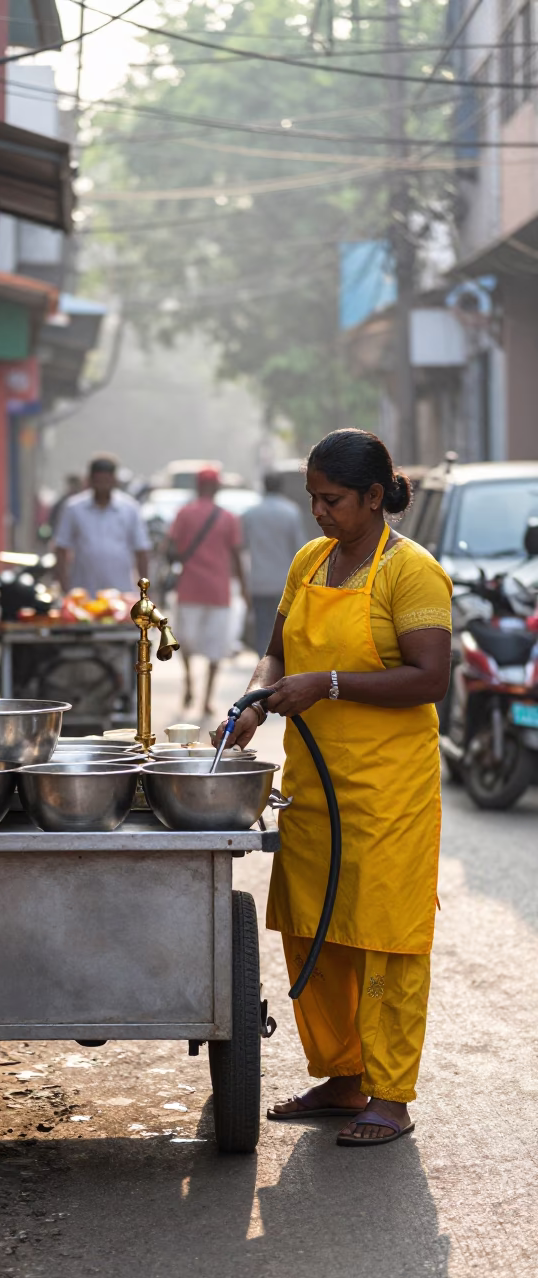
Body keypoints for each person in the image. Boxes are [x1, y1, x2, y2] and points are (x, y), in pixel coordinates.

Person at [215, 428, 452, 1147]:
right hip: (317, 784)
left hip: (389, 794)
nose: (319, 512)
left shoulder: (411, 573)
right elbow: (275, 650)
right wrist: (254, 702)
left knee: (385, 939)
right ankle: (343, 1076)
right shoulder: (310, 561)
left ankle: (390, 1094)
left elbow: (431, 676)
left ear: (375, 497)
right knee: (315, 931)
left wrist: (332, 684)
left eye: (334, 500)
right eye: (313, 498)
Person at [169, 467, 247, 716]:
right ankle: (207, 699)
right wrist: (244, 588)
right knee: (216, 647)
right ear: (217, 488)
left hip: (189, 587)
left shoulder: (183, 514)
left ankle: (189, 681)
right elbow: (237, 554)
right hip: (218, 590)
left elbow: (169, 547)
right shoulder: (228, 518)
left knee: (184, 640)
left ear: (197, 486)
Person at [54, 454, 152, 597]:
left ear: (114, 481)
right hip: (83, 593)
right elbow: (61, 548)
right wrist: (64, 587)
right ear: (91, 481)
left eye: (106, 480)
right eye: (99, 480)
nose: (103, 485)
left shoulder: (129, 509)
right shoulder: (74, 508)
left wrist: (144, 591)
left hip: (121, 594)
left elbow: (141, 551)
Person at [242, 473, 305, 655]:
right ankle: (279, 664)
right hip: (284, 582)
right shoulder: (291, 511)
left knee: (262, 627)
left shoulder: (251, 513)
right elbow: (300, 548)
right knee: (283, 626)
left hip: (259, 580)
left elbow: (243, 547)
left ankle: (263, 663)